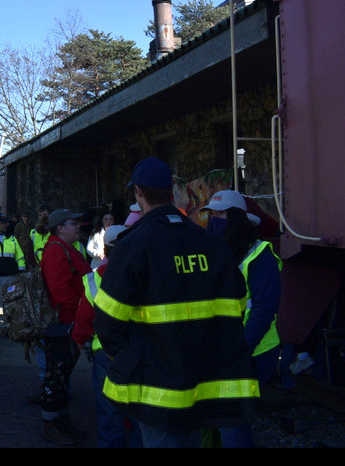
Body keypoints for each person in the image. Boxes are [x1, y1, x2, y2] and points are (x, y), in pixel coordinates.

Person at [94, 158, 259, 448]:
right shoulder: (210, 243)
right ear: (171, 191)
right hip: (205, 374)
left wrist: (133, 357)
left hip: (157, 384)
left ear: (139, 192)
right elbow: (238, 307)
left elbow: (107, 322)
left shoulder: (132, 246)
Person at [201, 190, 282, 448]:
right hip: (225, 351)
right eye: (211, 215)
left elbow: (264, 307)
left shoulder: (259, 255)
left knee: (230, 417)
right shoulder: (219, 254)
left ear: (237, 218)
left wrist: (241, 349)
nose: (215, 220)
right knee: (218, 416)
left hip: (252, 350)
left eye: (221, 214)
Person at [72, 224, 143, 448]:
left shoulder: (94, 279)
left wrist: (80, 340)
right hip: (137, 351)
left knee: (109, 411)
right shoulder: (143, 273)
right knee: (139, 412)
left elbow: (84, 316)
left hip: (104, 352)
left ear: (105, 249)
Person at [38, 208, 94, 444]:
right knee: (56, 375)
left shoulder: (64, 248)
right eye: (74, 223)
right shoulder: (56, 250)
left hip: (68, 323)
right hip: (63, 325)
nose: (78, 227)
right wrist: (79, 314)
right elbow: (61, 292)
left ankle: (60, 419)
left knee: (61, 375)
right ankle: (51, 423)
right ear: (60, 228)